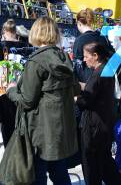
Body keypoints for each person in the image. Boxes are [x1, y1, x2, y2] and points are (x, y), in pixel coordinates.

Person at [6, 17, 79, 184]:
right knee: (59, 173)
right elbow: (75, 89)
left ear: (36, 33)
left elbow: (26, 101)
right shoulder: (64, 58)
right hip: (60, 130)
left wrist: (11, 90)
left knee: (38, 176)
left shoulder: (36, 62)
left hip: (40, 131)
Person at [76, 42, 121, 185]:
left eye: (86, 56)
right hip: (103, 124)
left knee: (93, 165)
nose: (84, 60)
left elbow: (86, 100)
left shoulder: (99, 73)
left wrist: (74, 98)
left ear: (95, 56)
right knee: (105, 162)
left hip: (94, 127)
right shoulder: (106, 70)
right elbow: (97, 91)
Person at [0, 19, 30, 147]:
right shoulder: (26, 46)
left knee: (7, 123)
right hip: (22, 88)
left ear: (4, 31)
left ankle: (10, 154)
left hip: (4, 89)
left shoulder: (2, 46)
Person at [73, 8, 113, 83]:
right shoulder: (103, 38)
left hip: (87, 82)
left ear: (79, 23)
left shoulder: (79, 40)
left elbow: (76, 65)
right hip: (105, 79)